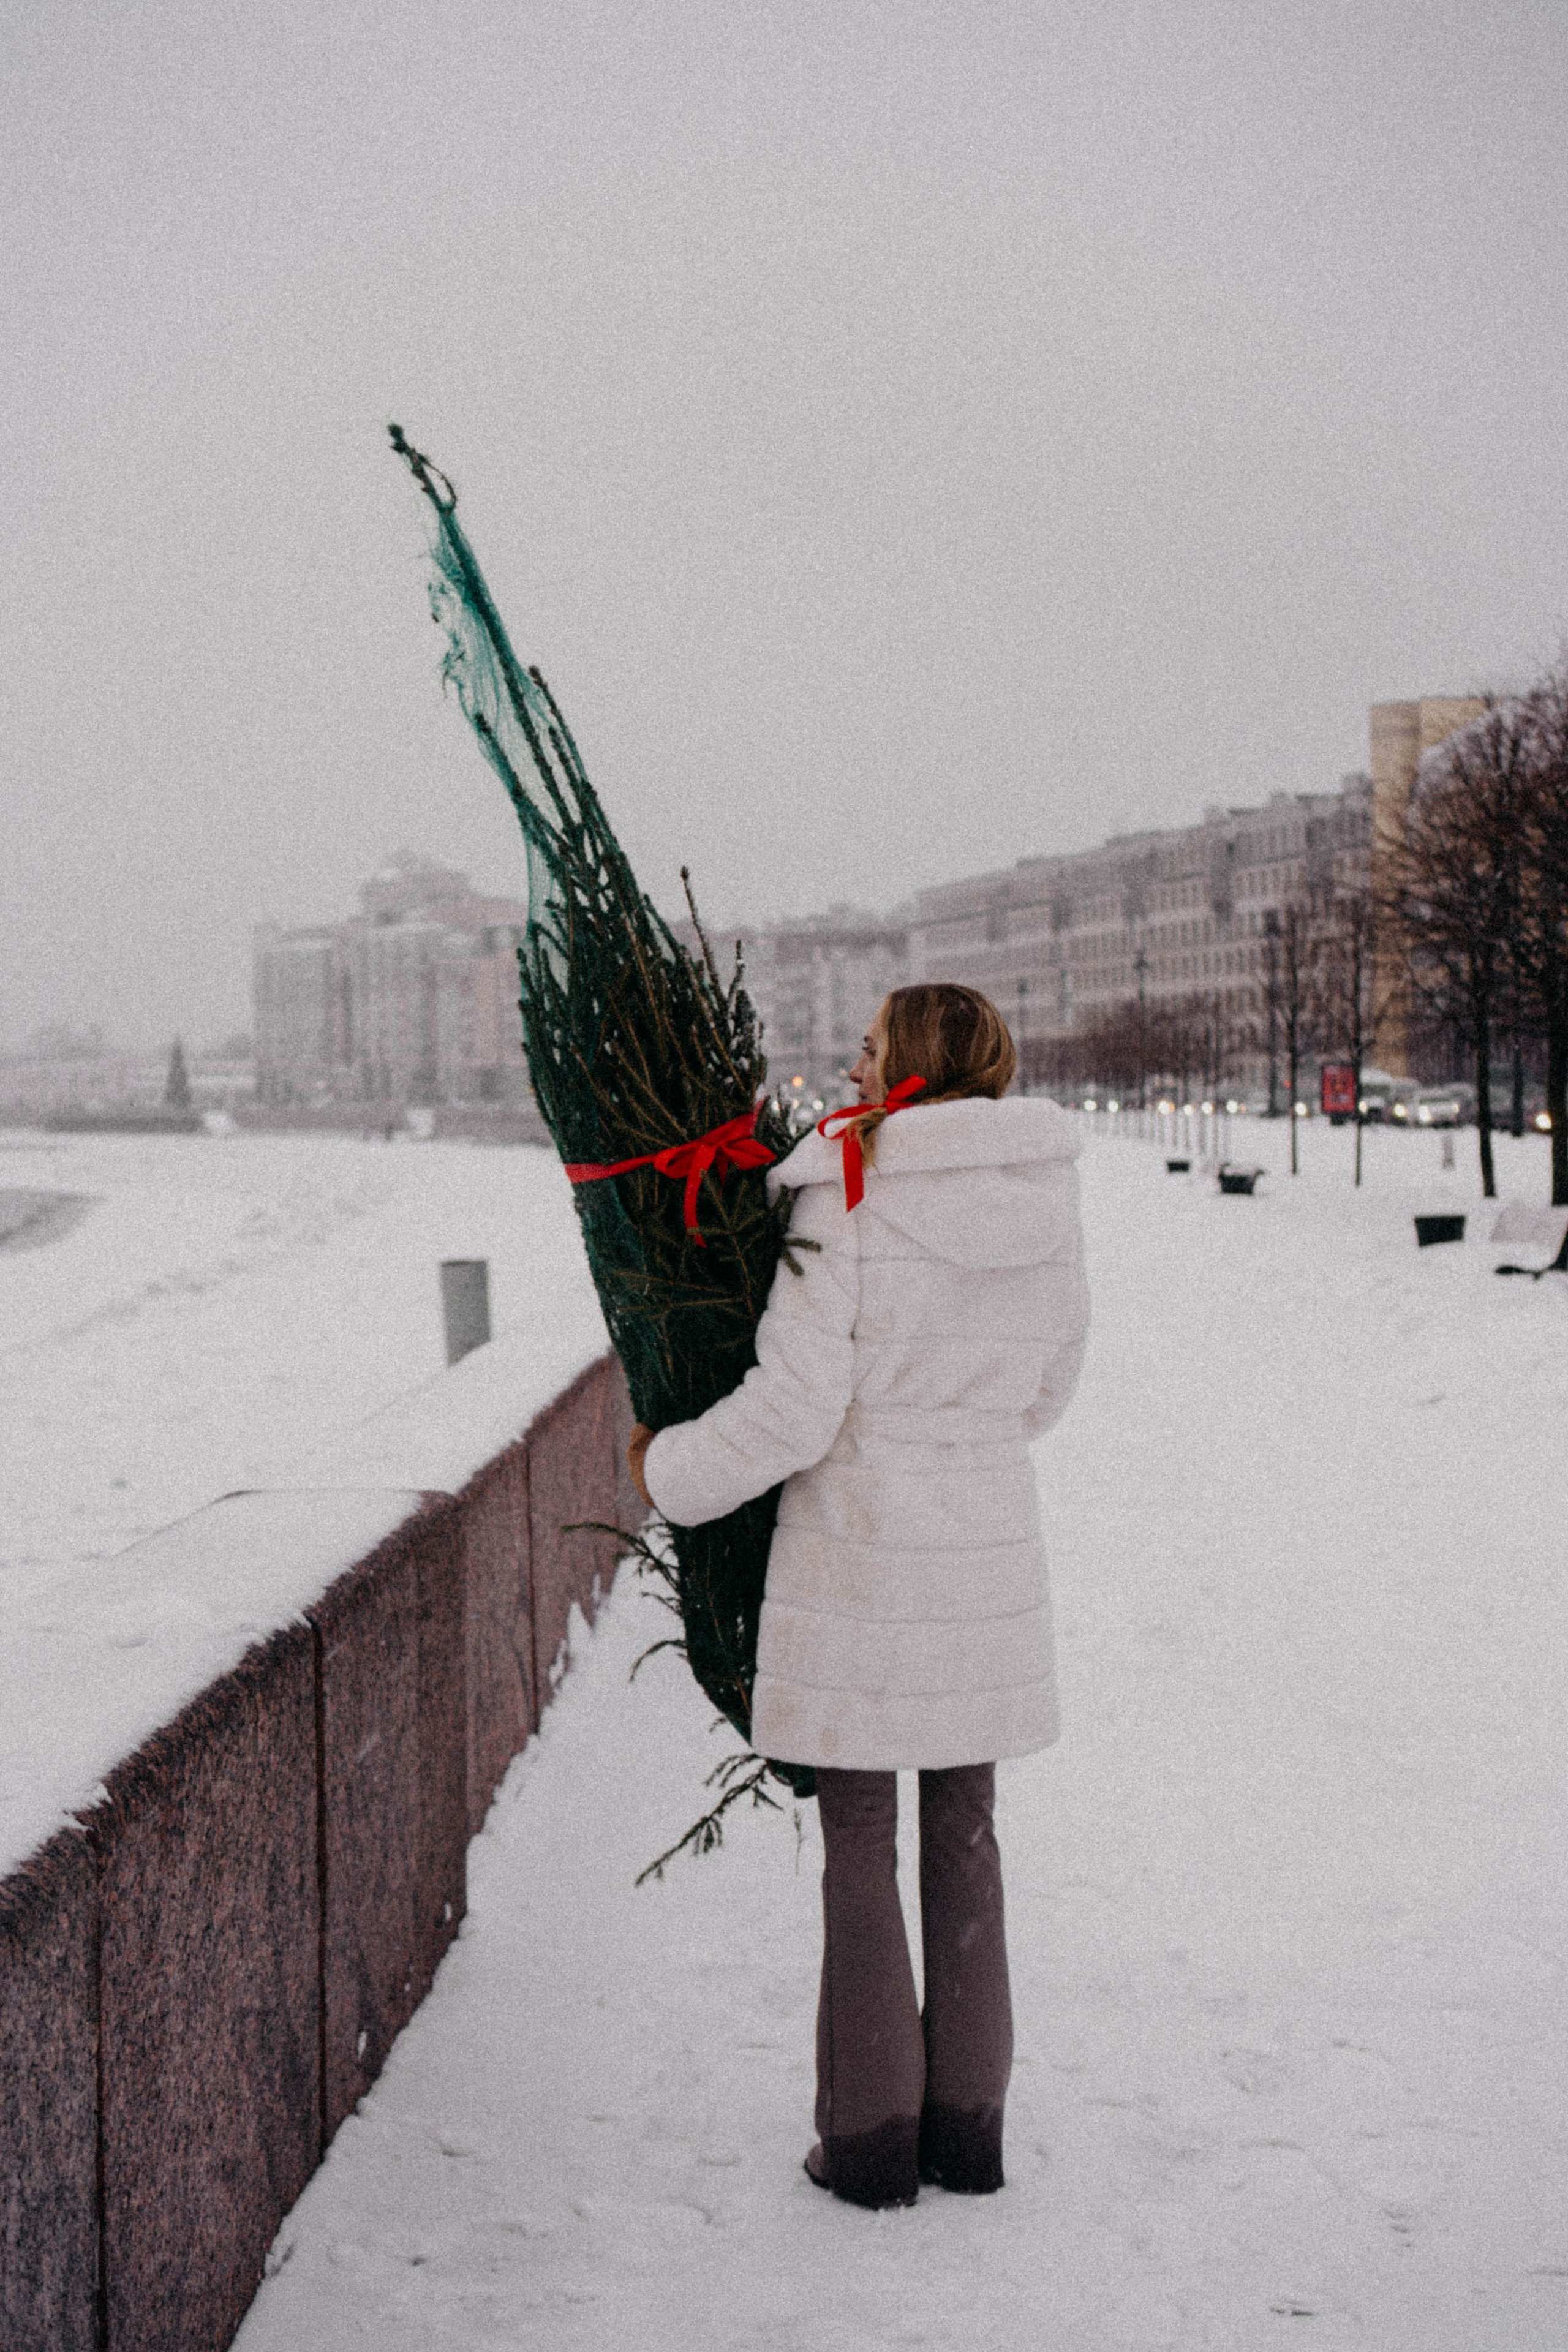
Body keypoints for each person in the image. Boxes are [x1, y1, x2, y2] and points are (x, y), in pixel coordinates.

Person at [627, 982, 1089, 2211]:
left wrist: (668, 1467)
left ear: (900, 1063)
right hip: (984, 1555)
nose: (852, 1061)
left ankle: (871, 2143)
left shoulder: (848, 1190)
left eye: (868, 1045)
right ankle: (968, 2134)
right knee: (967, 1837)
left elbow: (794, 1409)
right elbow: (1049, 1391)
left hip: (864, 1557)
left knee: (859, 1846)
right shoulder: (1045, 1196)